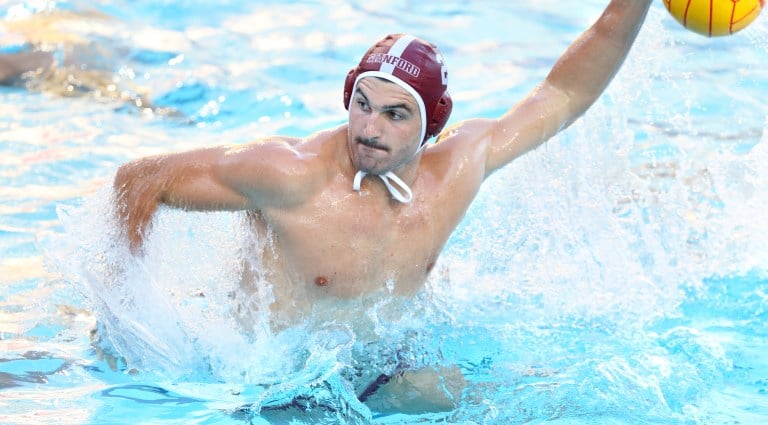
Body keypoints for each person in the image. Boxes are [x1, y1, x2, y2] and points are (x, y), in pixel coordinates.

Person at [113, 0, 653, 413]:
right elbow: (137, 181)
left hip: (383, 376)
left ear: (432, 125)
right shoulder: (289, 175)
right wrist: (129, 316)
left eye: (396, 115)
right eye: (362, 105)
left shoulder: (458, 171)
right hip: (267, 392)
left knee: (557, 401)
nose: (369, 130)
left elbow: (562, 95)